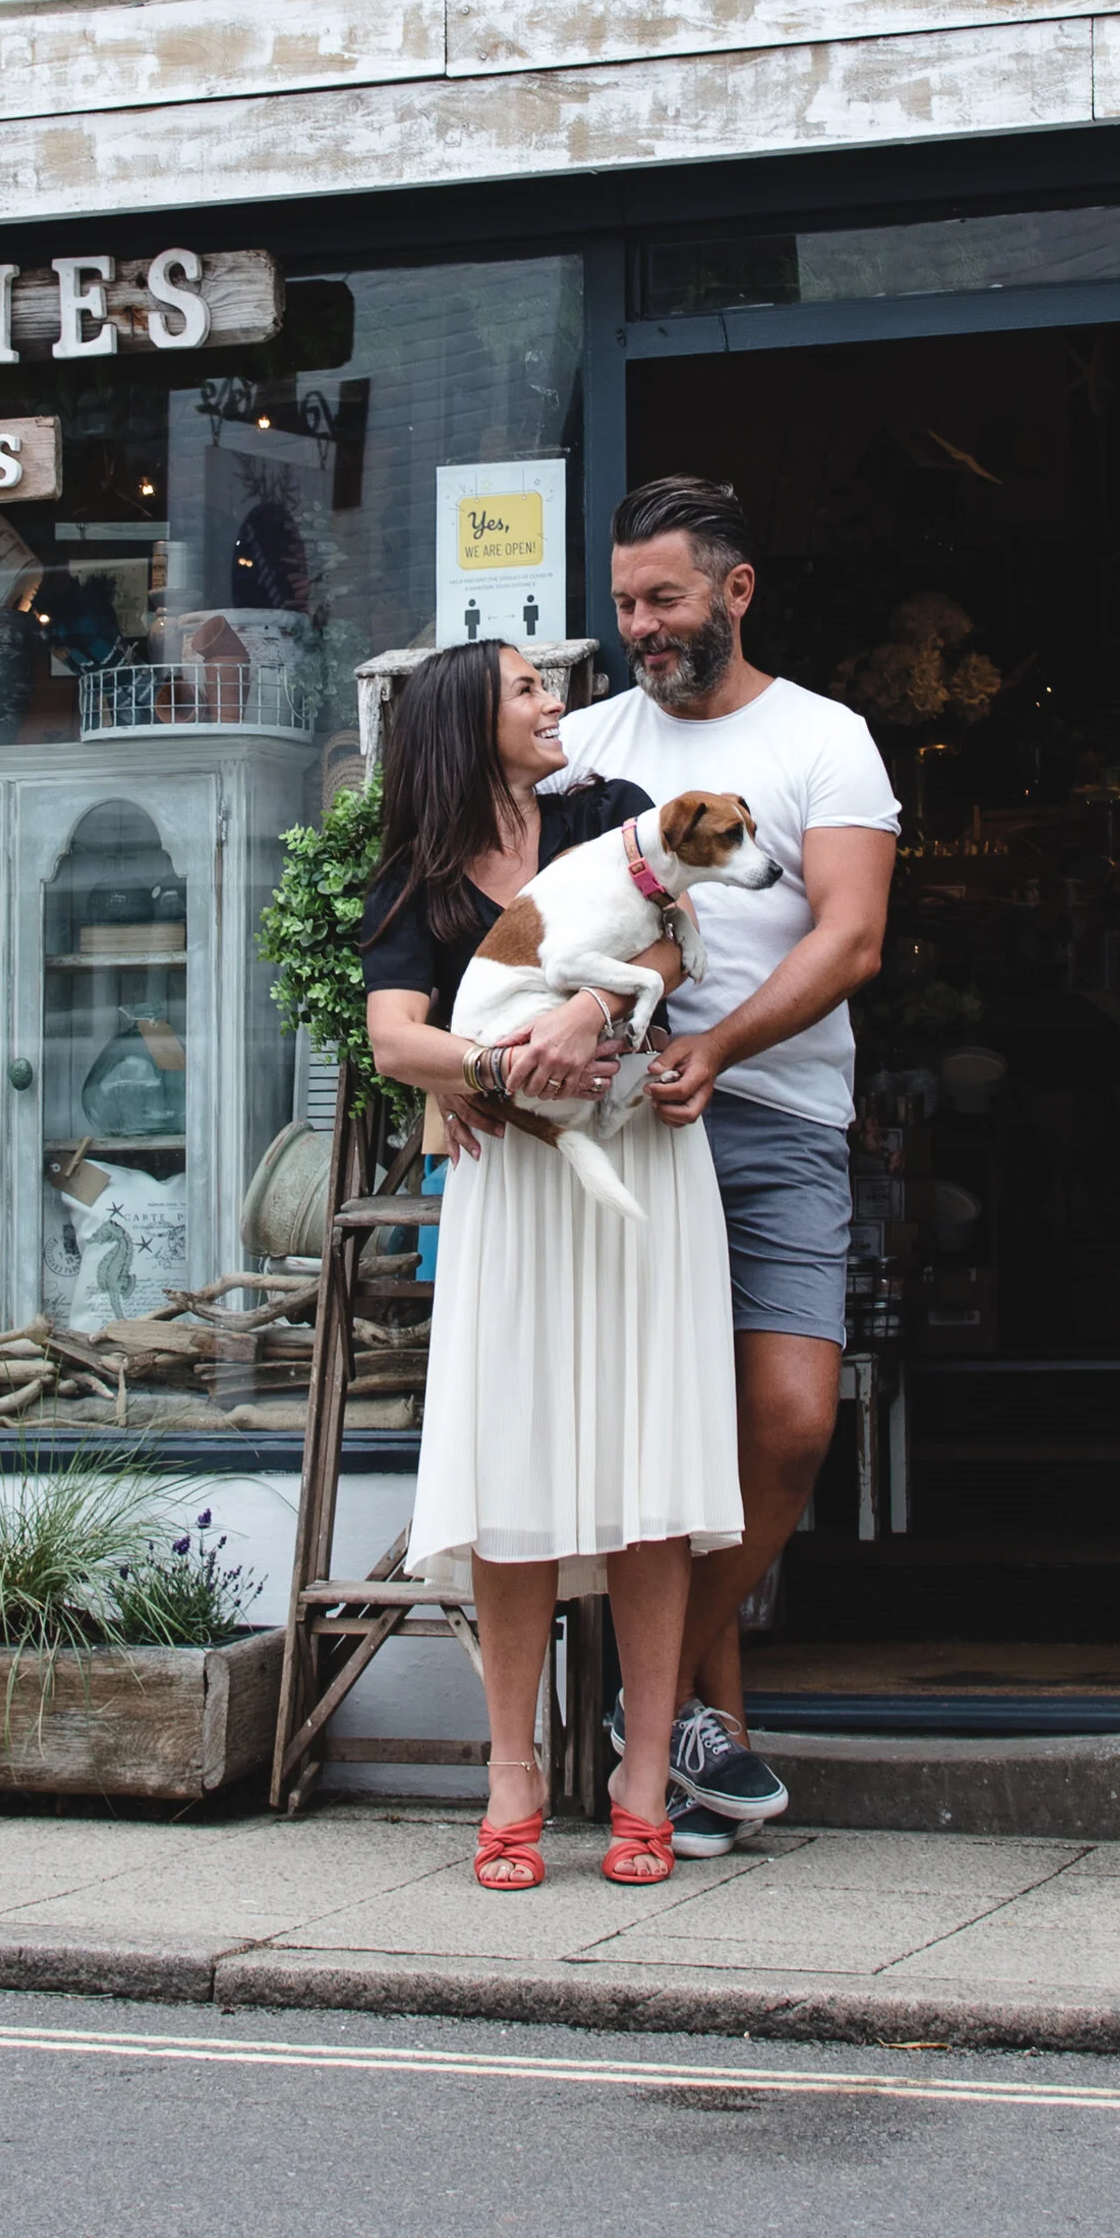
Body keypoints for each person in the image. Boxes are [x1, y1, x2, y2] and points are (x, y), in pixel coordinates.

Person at [361, 637, 743, 1891]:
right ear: (467, 723)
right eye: (528, 689)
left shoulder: (613, 813)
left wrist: (588, 1010)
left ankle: (641, 1772)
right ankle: (511, 1768)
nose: (555, 703)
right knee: (515, 1465)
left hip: (636, 1161)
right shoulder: (413, 871)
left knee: (646, 1458)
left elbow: (677, 945)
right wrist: (490, 1071)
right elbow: (391, 1040)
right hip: (514, 1185)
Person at [554, 472, 899, 1851]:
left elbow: (849, 936)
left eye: (666, 598)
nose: (642, 624)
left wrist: (727, 1046)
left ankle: (661, 1709)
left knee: (790, 1419)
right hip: (624, 1127)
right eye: (628, 600)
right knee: (663, 1440)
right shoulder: (580, 745)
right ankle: (703, 1738)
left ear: (735, 592)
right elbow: (510, 903)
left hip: (777, 1120)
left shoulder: (828, 740)